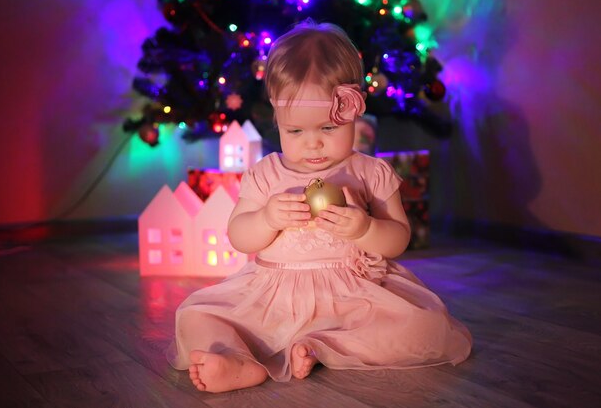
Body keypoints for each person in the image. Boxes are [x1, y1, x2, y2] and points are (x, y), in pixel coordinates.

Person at [166, 20, 472, 393]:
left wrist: (365, 229)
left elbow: (398, 238)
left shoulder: (370, 172)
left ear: (354, 114)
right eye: (295, 131)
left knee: (424, 324)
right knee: (196, 314)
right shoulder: (266, 174)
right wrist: (266, 217)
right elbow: (239, 236)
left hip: (353, 297)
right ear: (277, 121)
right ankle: (238, 359)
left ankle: (319, 346)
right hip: (273, 298)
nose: (312, 144)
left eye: (328, 129)